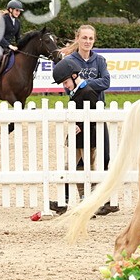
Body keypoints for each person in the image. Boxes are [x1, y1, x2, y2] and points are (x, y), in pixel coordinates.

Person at [48, 24, 116, 217]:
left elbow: (106, 82)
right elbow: (68, 88)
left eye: (90, 38)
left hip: (97, 113)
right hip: (78, 114)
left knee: (103, 157)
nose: (87, 41)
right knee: (77, 159)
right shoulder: (70, 61)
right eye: (84, 37)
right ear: (78, 38)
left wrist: (86, 84)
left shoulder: (99, 60)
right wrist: (84, 86)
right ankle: (75, 200)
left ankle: (102, 199)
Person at [0, 0, 24, 90]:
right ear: (10, 9)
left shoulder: (17, 22)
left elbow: (18, 38)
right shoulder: (3, 19)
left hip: (8, 46)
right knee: (0, 55)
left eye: (19, 11)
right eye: (16, 10)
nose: (18, 13)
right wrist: (10, 46)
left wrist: (23, 46)